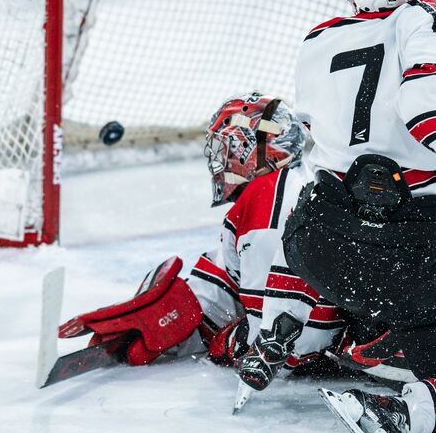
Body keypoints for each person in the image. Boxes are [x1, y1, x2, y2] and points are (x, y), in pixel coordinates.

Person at [245, 0, 436, 433]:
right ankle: (411, 398)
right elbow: (426, 115)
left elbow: (314, 134)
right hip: (414, 255)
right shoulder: (426, 25)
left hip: (322, 247)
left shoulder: (317, 39)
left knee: (324, 204)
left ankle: (359, 339)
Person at [58, 92, 347, 375]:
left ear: (252, 150)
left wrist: (237, 343)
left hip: (315, 356)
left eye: (228, 150)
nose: (221, 162)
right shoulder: (292, 183)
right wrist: (171, 315)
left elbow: (280, 339)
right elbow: (232, 283)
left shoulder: (269, 195)